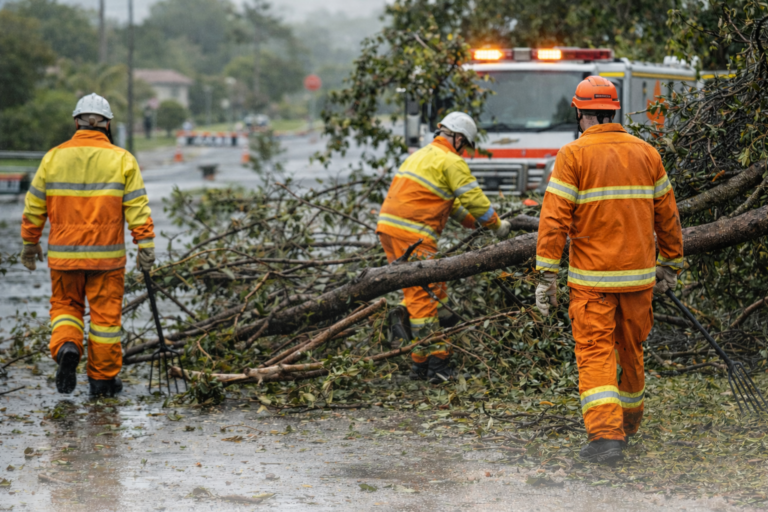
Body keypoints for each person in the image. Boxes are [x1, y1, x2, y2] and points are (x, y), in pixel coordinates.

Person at [534, 77, 684, 463]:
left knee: (595, 353)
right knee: (631, 352)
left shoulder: (573, 155)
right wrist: (670, 264)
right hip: (638, 281)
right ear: (614, 110)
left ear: (580, 112)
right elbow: (667, 215)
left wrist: (547, 275)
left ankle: (606, 438)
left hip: (592, 283)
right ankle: (628, 425)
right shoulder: (647, 152)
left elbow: (554, 220)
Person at [20, 93, 156, 397]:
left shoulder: (53, 157)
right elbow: (137, 207)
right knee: (105, 321)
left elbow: (34, 206)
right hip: (107, 262)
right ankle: (102, 382)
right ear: (107, 124)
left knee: (66, 308)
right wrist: (145, 244)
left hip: (64, 259)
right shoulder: (122, 159)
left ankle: (68, 346)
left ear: (76, 121)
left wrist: (30, 243)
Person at [377, 111, 512, 383]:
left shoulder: (422, 155)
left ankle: (418, 357)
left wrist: (475, 223)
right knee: (424, 300)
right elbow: (474, 198)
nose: (465, 150)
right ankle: (437, 366)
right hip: (413, 236)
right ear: (459, 138)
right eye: (465, 145)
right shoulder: (451, 161)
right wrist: (497, 226)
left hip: (391, 230)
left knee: (430, 294)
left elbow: (452, 206)